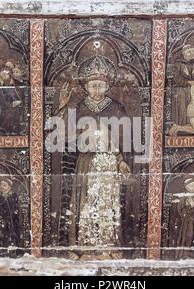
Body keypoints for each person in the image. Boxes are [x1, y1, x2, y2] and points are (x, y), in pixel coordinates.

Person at [55, 55, 131, 260]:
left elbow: (124, 138)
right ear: (86, 87)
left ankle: (109, 245)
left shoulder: (116, 108)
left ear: (108, 86)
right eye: (93, 85)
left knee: (107, 200)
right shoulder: (79, 108)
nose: (97, 90)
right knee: (85, 201)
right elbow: (64, 136)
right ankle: (84, 246)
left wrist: (121, 160)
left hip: (108, 161)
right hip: (86, 161)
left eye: (101, 86)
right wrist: (63, 107)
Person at [171, 44, 194, 126]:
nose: (192, 53)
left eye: (193, 51)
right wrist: (188, 82)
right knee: (182, 108)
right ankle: (182, 125)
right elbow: (176, 78)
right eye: (189, 52)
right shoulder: (178, 64)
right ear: (184, 54)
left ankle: (192, 125)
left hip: (193, 91)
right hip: (181, 91)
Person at [0, 178, 20, 246]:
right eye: (1, 184)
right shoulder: (0, 196)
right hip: (3, 218)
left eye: (4, 185)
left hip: (12, 218)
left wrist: (9, 216)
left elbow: (14, 207)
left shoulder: (13, 195)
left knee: (13, 233)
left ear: (9, 187)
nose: (2, 186)